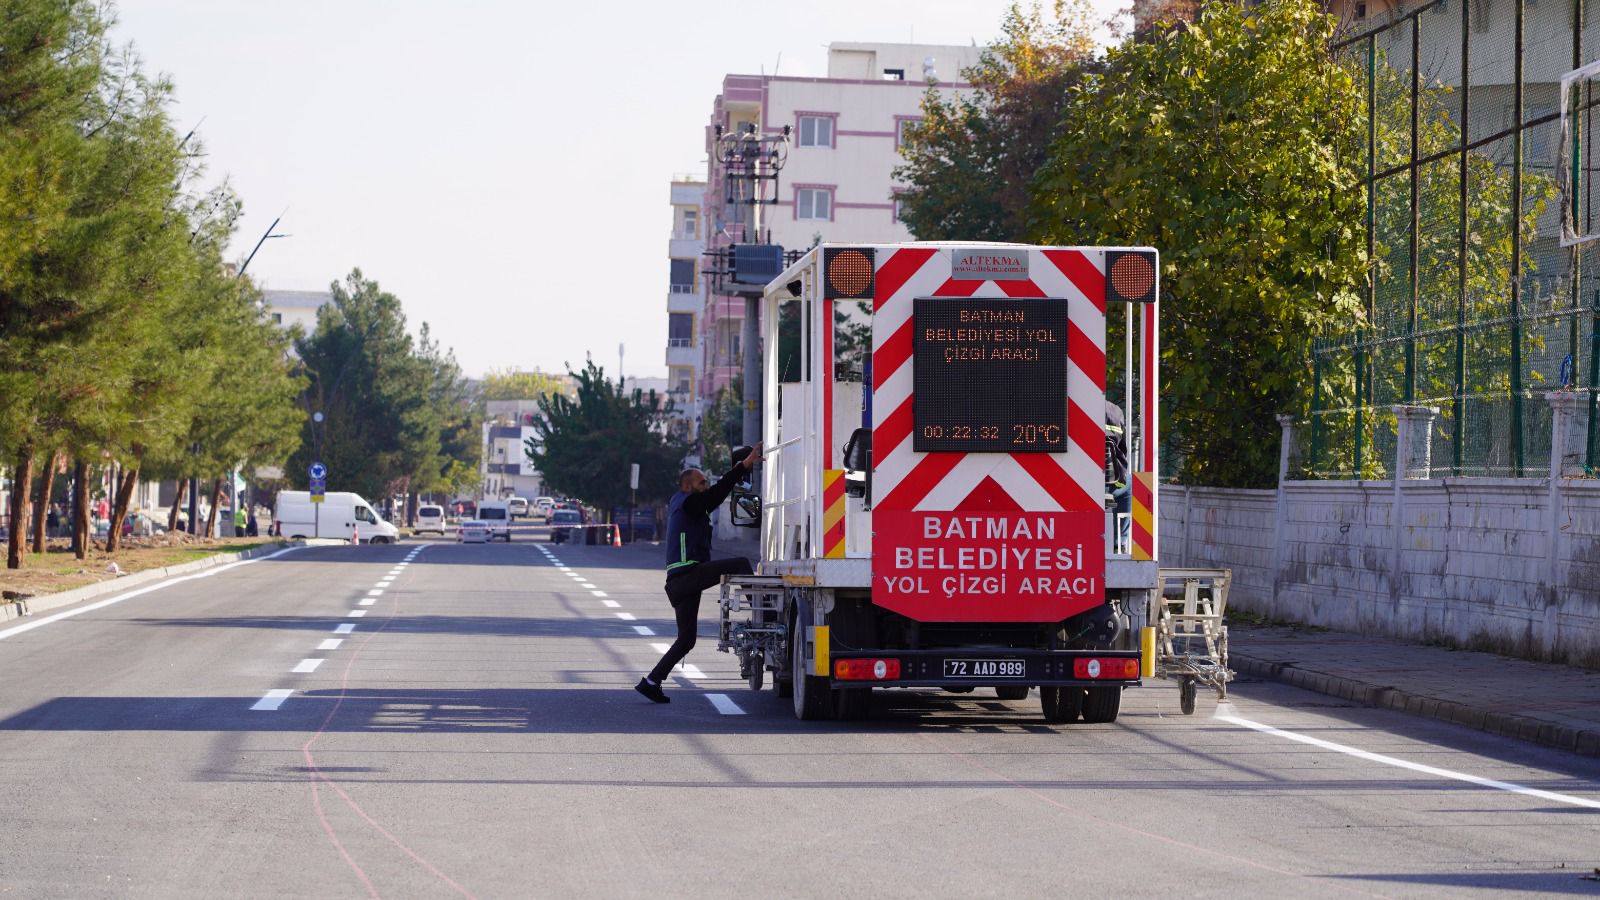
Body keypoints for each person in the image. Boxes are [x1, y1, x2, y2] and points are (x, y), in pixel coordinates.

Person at [637, 443, 764, 703]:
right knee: (741, 563)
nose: (706, 484)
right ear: (688, 486)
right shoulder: (689, 503)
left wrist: (738, 470)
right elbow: (716, 494)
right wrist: (743, 466)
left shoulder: (681, 503)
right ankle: (764, 619)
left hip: (680, 582)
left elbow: (713, 495)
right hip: (687, 575)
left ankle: (651, 682)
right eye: (702, 481)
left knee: (686, 640)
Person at [1106, 400, 1131, 551]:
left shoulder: (1072, 406)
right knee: (1129, 484)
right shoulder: (1115, 411)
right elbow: (1123, 450)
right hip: (1108, 483)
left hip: (1074, 483)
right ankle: (1119, 541)